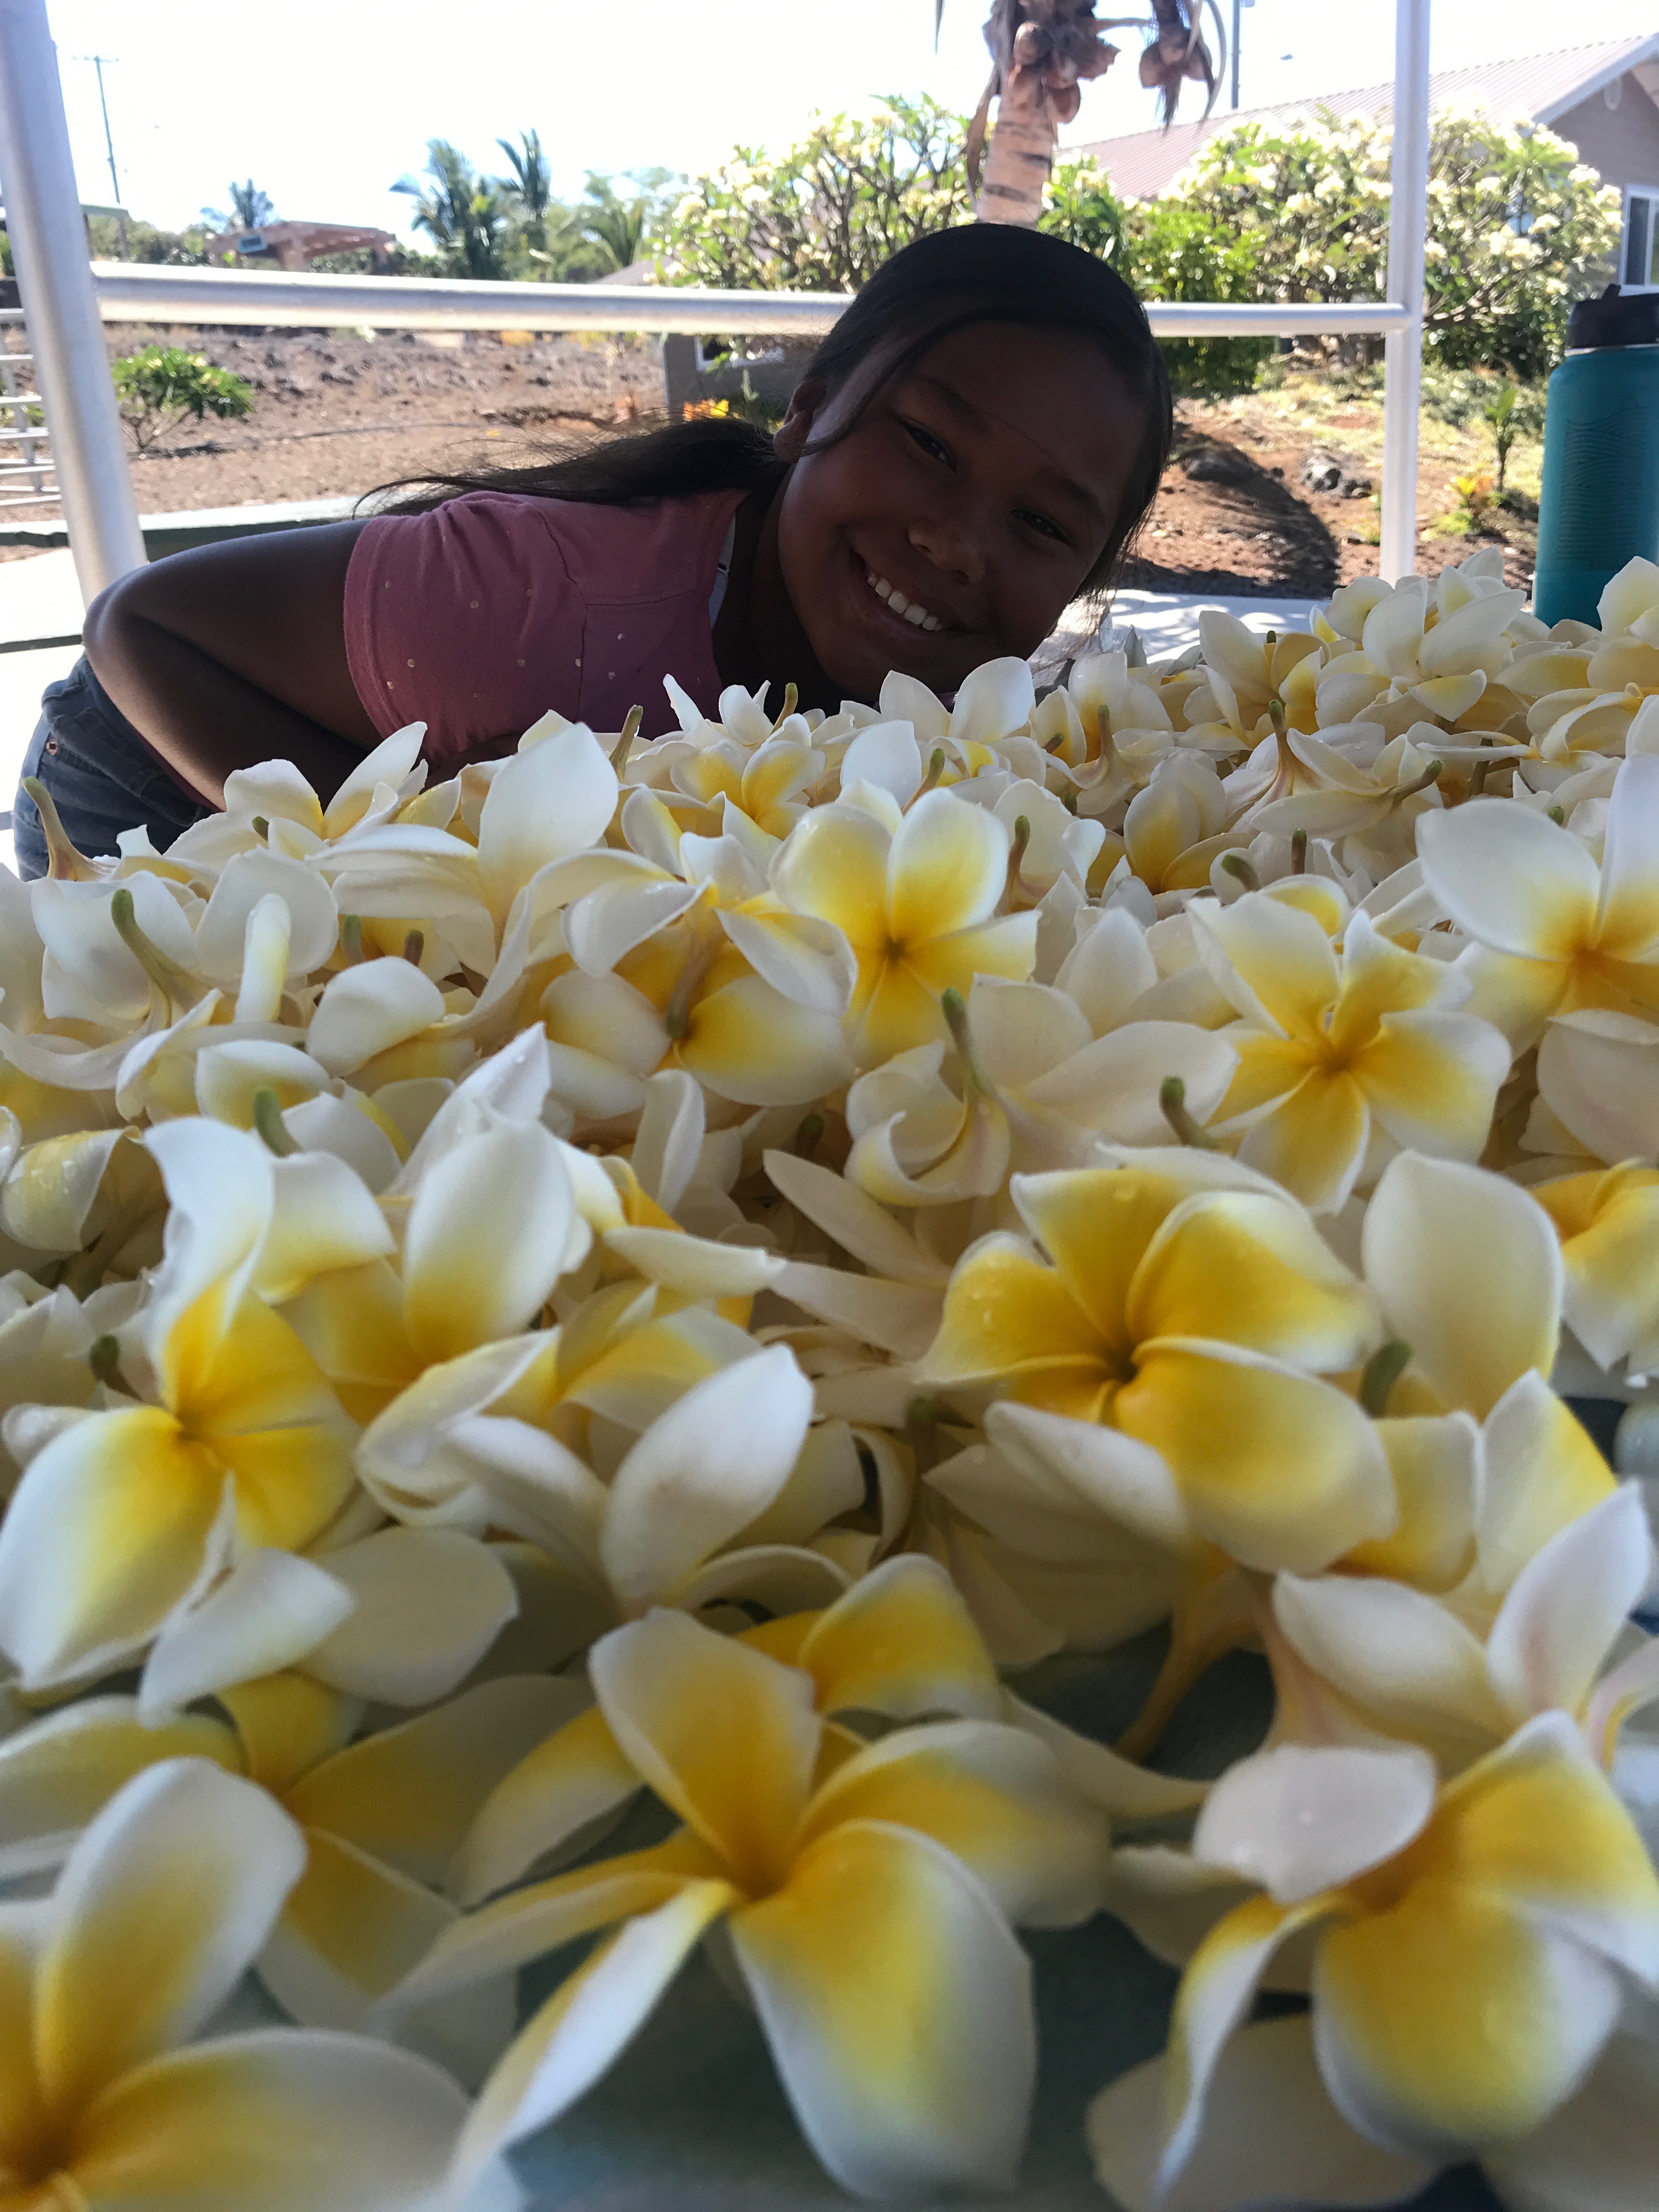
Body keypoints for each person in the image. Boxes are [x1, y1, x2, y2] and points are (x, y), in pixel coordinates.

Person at [13, 223, 1172, 878]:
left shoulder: (965, 694)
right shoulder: (534, 599)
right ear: (810, 411)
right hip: (139, 769)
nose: (955, 544)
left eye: (1042, 524)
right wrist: (431, 847)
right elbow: (136, 630)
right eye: (927, 443)